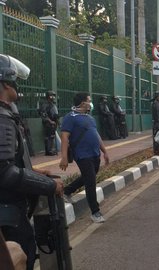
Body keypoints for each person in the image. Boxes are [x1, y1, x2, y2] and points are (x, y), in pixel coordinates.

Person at [0, 54, 64, 270]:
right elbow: (4, 172)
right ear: (6, 83)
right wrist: (49, 185)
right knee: (20, 257)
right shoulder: (2, 119)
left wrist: (33, 171)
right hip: (8, 212)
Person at [60, 92, 110, 223]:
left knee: (90, 176)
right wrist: (64, 157)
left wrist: (104, 151)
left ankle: (67, 190)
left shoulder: (90, 118)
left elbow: (96, 135)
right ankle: (95, 212)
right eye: (89, 100)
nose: (91, 102)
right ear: (83, 103)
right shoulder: (70, 117)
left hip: (95, 153)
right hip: (82, 154)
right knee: (90, 182)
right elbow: (64, 137)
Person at [38, 91, 59, 155]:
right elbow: (44, 114)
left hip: (53, 121)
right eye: (51, 95)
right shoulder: (45, 104)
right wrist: (50, 121)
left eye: (53, 96)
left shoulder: (52, 103)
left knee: (52, 136)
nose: (53, 97)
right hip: (48, 122)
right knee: (48, 136)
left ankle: (51, 149)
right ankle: (48, 151)